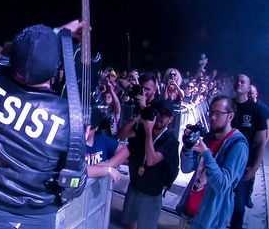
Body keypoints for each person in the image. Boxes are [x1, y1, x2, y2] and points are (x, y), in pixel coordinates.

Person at [0, 22, 87, 228]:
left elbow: (10, 56)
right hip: (36, 217)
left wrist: (54, 33)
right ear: (56, 71)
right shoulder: (70, 119)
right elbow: (75, 186)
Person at [176, 96, 248, 229]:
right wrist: (187, 146)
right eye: (211, 112)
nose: (212, 117)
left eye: (218, 114)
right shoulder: (210, 138)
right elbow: (186, 169)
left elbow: (222, 185)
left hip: (209, 221)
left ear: (230, 116)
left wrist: (206, 153)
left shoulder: (238, 145)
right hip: (189, 212)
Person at [117, 99, 179, 229]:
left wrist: (149, 131)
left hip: (151, 195)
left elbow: (151, 160)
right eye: (157, 112)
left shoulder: (170, 140)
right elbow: (121, 135)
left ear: (171, 119)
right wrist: (137, 117)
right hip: (134, 188)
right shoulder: (143, 130)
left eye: (164, 114)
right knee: (128, 225)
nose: (160, 117)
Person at [230, 74, 268, 228]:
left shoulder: (258, 110)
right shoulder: (226, 105)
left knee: (239, 206)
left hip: (243, 166)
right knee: (216, 203)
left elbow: (261, 142)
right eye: (237, 80)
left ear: (248, 86)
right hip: (224, 162)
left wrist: (254, 168)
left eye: (243, 81)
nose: (239, 83)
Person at [85, 109, 129, 181]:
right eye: (83, 127)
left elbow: (124, 151)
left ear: (96, 128)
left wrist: (107, 164)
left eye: (90, 128)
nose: (85, 131)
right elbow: (76, 170)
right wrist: (107, 170)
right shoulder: (72, 143)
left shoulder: (101, 140)